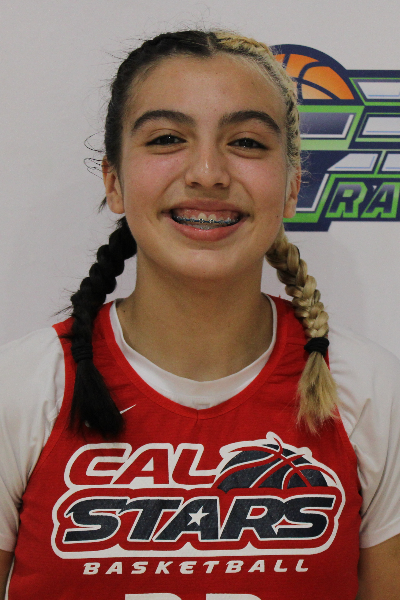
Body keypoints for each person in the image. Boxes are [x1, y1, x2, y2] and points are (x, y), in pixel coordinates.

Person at [0, 30, 399, 600]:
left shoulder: (371, 391)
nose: (208, 172)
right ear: (114, 181)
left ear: (291, 188)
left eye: (247, 142)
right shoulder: (21, 389)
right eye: (167, 138)